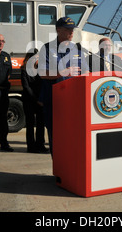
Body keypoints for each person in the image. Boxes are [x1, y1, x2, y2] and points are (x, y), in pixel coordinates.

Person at [38, 17, 89, 154]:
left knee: (74, 138)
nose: (71, 33)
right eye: (67, 30)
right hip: (55, 102)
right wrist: (62, 72)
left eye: (72, 30)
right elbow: (42, 72)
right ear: (58, 30)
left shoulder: (77, 49)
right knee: (57, 139)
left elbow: (86, 72)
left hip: (75, 102)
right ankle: (60, 172)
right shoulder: (47, 48)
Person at [21, 50, 47, 153]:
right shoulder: (24, 70)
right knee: (30, 124)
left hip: (40, 100)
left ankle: (40, 145)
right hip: (29, 100)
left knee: (41, 124)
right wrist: (37, 100)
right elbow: (26, 87)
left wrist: (42, 99)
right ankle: (31, 147)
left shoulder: (41, 69)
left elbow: (44, 85)